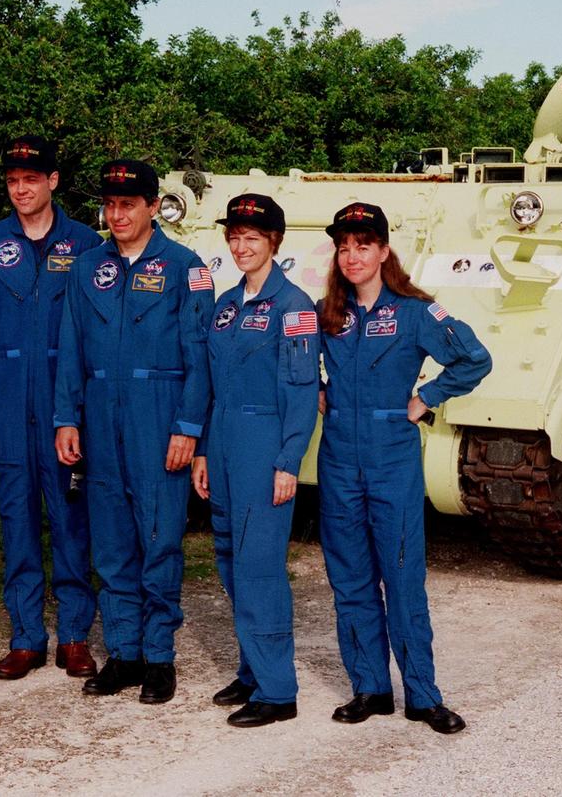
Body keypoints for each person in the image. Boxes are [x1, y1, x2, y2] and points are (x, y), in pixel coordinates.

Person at [316, 202, 492, 734]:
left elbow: (475, 358)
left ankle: (422, 695)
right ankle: (369, 689)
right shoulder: (327, 313)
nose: (352, 256)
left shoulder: (415, 312)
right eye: (344, 246)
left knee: (402, 579)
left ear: (384, 251)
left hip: (392, 455)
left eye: (363, 245)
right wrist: (318, 391)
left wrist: (427, 397)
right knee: (350, 580)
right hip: (339, 457)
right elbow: (293, 362)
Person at [54, 159, 213, 705]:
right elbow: (71, 349)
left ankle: (159, 657)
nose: (117, 214)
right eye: (110, 205)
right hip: (99, 419)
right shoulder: (86, 268)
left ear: (151, 207)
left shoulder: (185, 267)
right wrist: (66, 418)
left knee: (158, 541)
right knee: (112, 545)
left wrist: (188, 428)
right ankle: (123, 653)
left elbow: (200, 358)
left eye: (128, 204)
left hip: (158, 417)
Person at [0, 135, 102, 680]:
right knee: (16, 517)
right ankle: (25, 637)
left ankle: (74, 636)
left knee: (70, 517)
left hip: (65, 406)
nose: (22, 189)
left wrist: (85, 410)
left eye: (32, 180)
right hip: (7, 404)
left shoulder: (87, 244)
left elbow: (95, 332)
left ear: (53, 181)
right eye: (13, 182)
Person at [190, 194, 319, 727]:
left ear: (275, 243)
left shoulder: (296, 308)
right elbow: (209, 381)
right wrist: (200, 448)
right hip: (221, 441)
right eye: (235, 238)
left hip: (264, 442)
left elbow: (303, 390)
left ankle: (278, 691)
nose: (241, 247)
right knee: (229, 558)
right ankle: (251, 670)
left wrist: (288, 460)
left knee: (260, 567)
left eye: (253, 238)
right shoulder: (224, 304)